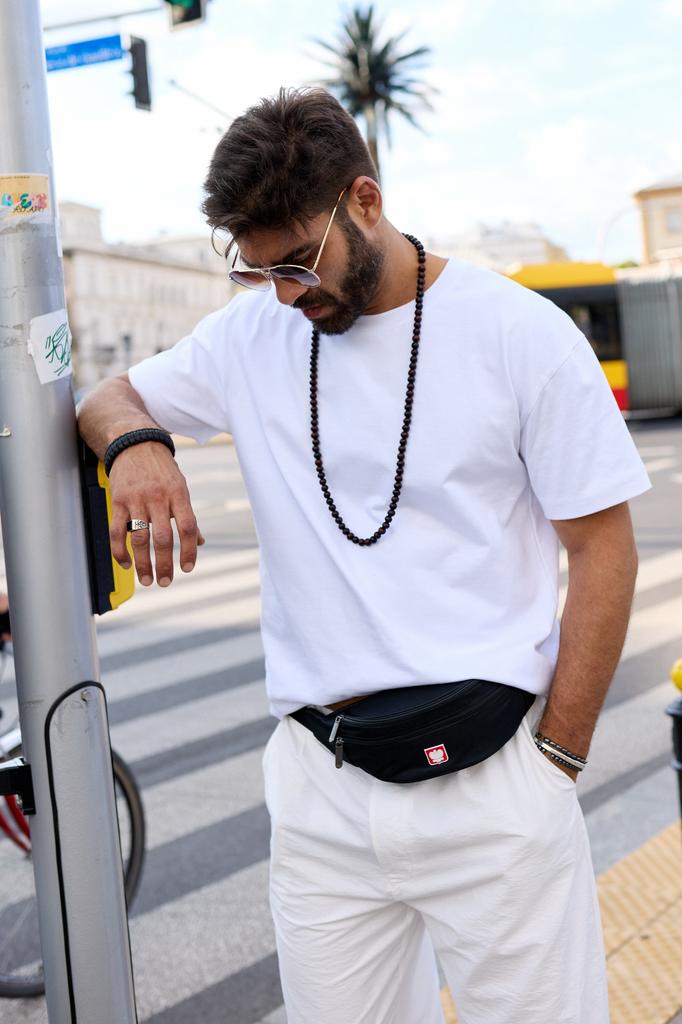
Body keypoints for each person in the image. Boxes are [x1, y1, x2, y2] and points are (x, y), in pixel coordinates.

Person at [78, 88, 651, 1024]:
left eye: (301, 264)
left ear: (367, 201)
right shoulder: (255, 329)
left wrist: (556, 760)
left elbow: (603, 549)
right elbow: (105, 393)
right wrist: (136, 444)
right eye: (260, 273)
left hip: (494, 779)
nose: (288, 295)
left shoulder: (519, 335)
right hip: (322, 789)